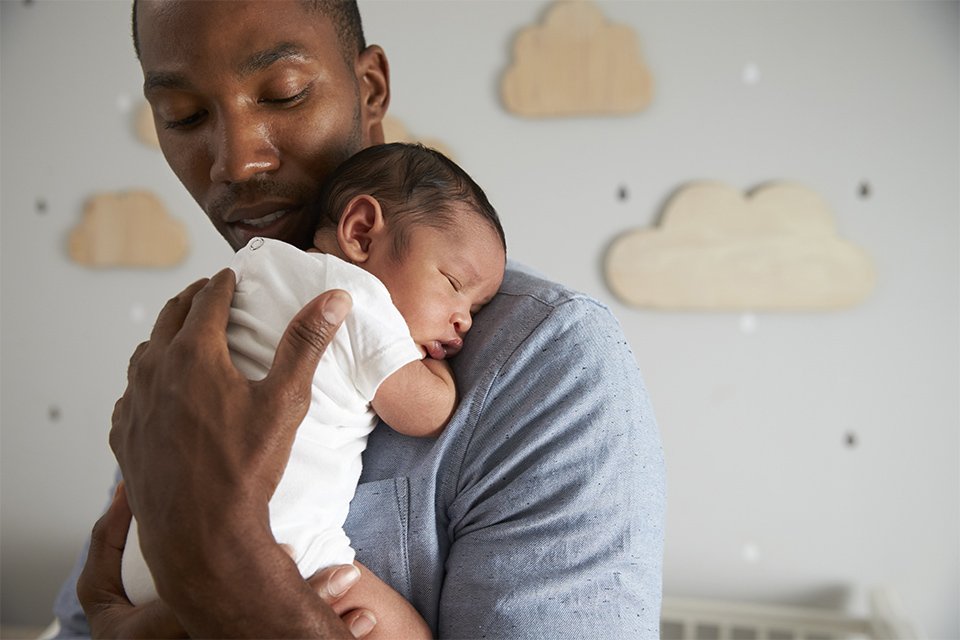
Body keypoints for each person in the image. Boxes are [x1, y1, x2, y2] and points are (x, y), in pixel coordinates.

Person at [53, 1, 666, 638]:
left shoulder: (549, 365)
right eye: (184, 115)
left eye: (284, 95)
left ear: (368, 89)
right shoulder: (197, 344)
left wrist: (235, 574)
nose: (236, 162)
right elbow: (88, 615)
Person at [119, 142, 506, 636]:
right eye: (454, 283)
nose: (464, 321)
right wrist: (439, 372)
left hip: (147, 557)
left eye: (476, 308)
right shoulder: (359, 299)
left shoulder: (252, 268)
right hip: (281, 550)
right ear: (361, 231)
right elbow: (425, 412)